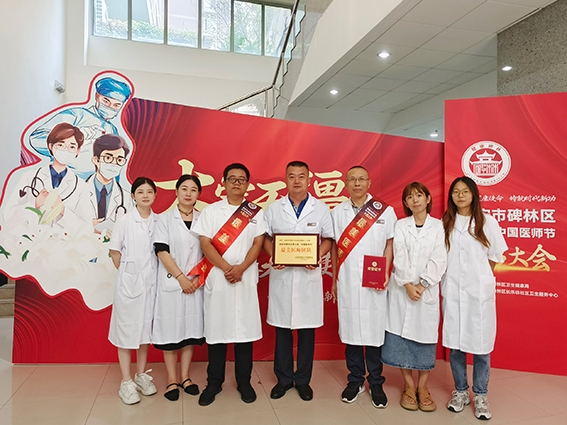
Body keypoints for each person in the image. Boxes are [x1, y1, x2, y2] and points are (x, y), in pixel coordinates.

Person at [191, 163, 265, 406]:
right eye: (232, 179)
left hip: (244, 277)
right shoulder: (211, 211)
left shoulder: (256, 212)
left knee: (244, 334)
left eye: (241, 179)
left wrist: (241, 268)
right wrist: (226, 267)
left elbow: (258, 243)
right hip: (219, 277)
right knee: (217, 333)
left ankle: (244, 382)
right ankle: (214, 383)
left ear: (247, 184)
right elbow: (205, 243)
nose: (236, 183)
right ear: (223, 182)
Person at [263, 160, 334, 402]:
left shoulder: (321, 208)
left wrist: (317, 255)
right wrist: (273, 254)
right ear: (285, 179)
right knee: (282, 331)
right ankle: (283, 380)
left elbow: (328, 239)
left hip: (308, 279)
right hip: (282, 277)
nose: (296, 180)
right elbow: (265, 237)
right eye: (291, 176)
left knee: (306, 332)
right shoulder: (274, 208)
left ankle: (303, 381)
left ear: (309, 179)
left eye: (301, 176)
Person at [330, 165, 396, 408]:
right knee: (351, 331)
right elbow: (335, 248)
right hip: (347, 280)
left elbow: (390, 244)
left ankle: (376, 382)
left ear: (369, 183)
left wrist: (386, 272)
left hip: (375, 282)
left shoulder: (384, 211)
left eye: (361, 179)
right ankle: (355, 379)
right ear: (346, 184)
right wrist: (335, 279)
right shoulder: (337, 212)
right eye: (352, 180)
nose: (357, 183)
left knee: (374, 332)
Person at [442, 176, 507, 421]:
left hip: (478, 294)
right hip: (453, 291)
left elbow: (495, 255)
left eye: (465, 191)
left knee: (481, 345)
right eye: (456, 192)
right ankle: (460, 391)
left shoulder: (487, 221)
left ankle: (480, 395)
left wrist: (480, 279)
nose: (460, 196)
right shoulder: (446, 222)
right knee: (456, 345)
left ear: (474, 195)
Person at [381, 182, 446, 412]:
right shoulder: (401, 225)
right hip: (402, 289)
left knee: (424, 339)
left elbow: (440, 258)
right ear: (406, 203)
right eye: (410, 197)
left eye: (419, 195)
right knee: (401, 339)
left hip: (426, 291)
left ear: (428, 198)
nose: (415, 200)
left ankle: (423, 387)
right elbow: (399, 255)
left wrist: (423, 284)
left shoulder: (439, 227)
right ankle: (408, 386)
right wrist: (408, 285)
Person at [153, 175, 205, 401]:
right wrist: (181, 278)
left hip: (195, 283)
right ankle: (171, 380)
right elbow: (161, 251)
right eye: (184, 188)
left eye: (193, 189)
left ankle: (185, 377)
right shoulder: (164, 219)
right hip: (173, 282)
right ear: (176, 192)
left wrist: (196, 278)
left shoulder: (203, 219)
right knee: (170, 332)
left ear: (198, 194)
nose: (188, 193)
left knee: (189, 332)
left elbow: (209, 252)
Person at [108, 177, 159, 405]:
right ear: (133, 196)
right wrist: (128, 276)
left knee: (144, 332)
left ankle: (141, 375)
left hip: (151, 284)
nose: (145, 195)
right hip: (129, 284)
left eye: (149, 191)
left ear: (155, 195)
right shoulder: (125, 220)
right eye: (140, 192)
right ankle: (126, 381)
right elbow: (115, 252)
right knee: (127, 333)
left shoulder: (159, 221)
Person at [29, 77, 132, 180]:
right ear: (97, 96)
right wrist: (73, 137)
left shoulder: (112, 130)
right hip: (63, 179)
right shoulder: (76, 114)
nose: (110, 107)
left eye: (117, 105)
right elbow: (37, 139)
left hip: (92, 185)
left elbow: (115, 161)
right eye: (106, 101)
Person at [4, 123, 91, 229]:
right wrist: (35, 203)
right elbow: (7, 216)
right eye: (60, 145)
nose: (65, 150)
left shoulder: (81, 187)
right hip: (30, 237)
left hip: (63, 239)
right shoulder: (29, 177)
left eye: (72, 147)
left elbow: (86, 227)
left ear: (78, 151)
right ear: (50, 146)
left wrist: (62, 209)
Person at [87, 134, 133, 233]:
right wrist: (86, 226)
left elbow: (130, 230)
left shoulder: (126, 199)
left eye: (119, 160)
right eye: (108, 158)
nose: (113, 163)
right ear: (96, 160)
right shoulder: (78, 191)